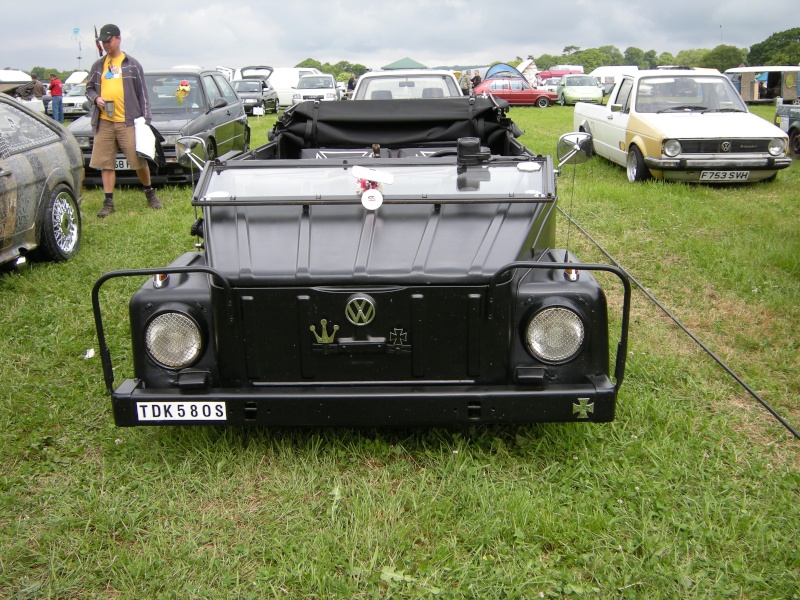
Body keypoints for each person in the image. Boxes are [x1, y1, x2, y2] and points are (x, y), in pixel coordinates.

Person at [85, 23, 162, 218]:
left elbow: (143, 94)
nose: (106, 44)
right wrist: (96, 98)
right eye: (103, 41)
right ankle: (108, 201)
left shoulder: (132, 64)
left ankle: (149, 192)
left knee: (138, 161)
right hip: (104, 122)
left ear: (118, 39)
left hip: (128, 121)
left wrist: (146, 120)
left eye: (109, 40)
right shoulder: (98, 66)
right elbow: (89, 89)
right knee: (106, 163)